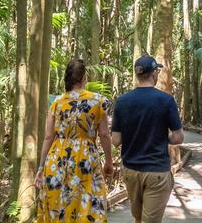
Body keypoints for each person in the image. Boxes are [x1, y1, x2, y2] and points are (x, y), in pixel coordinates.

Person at [35, 58, 115, 223]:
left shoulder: (56, 103)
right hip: (86, 161)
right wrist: (109, 162)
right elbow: (105, 135)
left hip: (57, 160)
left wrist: (41, 167)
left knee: (60, 207)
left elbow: (48, 137)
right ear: (84, 77)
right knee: (87, 208)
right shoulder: (99, 101)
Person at [110, 55, 184, 223]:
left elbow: (115, 140)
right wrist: (163, 138)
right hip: (156, 171)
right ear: (154, 74)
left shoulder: (122, 101)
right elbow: (178, 137)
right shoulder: (166, 100)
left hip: (131, 171)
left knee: (138, 219)